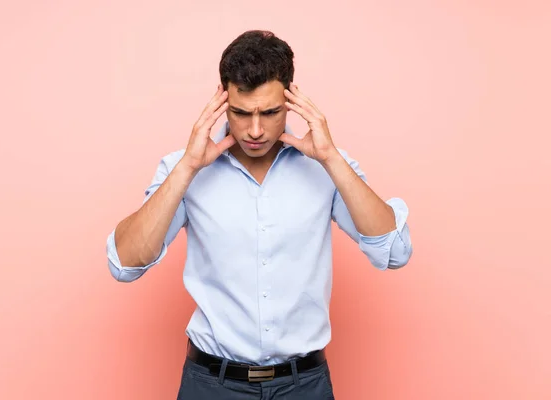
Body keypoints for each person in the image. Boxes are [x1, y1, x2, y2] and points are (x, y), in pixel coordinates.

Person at [106, 30, 413, 399]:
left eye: (269, 113)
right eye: (240, 113)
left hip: (304, 385)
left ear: (291, 100)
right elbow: (124, 263)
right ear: (222, 100)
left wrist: (331, 158)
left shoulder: (328, 166)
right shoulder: (183, 168)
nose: (255, 130)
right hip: (211, 385)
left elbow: (394, 253)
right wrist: (188, 167)